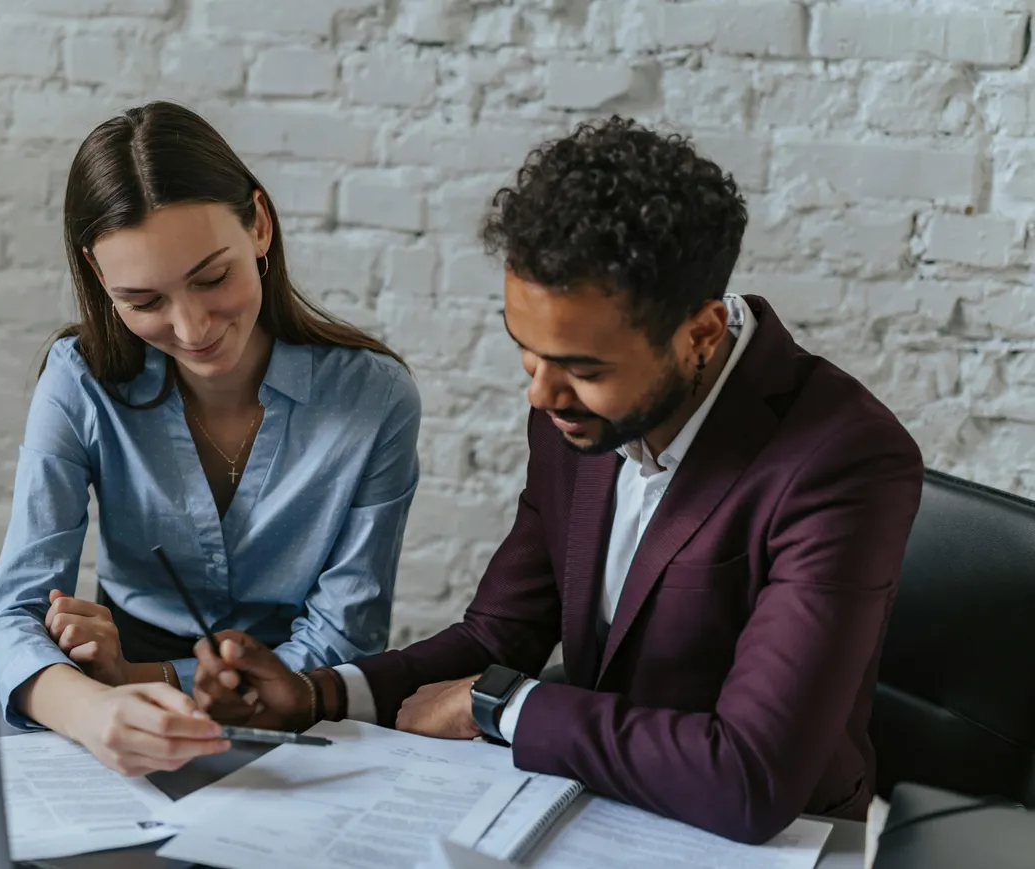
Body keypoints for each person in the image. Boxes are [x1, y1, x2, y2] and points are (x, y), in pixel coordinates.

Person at [182, 117, 926, 843]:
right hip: (590, 811)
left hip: (775, 841)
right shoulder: (574, 412)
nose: (541, 393)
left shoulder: (845, 459)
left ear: (700, 333)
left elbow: (750, 774)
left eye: (582, 369)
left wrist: (502, 707)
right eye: (527, 353)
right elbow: (501, 631)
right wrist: (318, 695)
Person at [0, 101, 422, 776]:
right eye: (144, 301)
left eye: (212, 278)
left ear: (260, 226)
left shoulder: (374, 397)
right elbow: (10, 614)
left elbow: (343, 640)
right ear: (100, 277)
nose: (190, 327)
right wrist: (92, 707)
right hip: (116, 726)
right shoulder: (79, 382)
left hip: (296, 720)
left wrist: (139, 675)